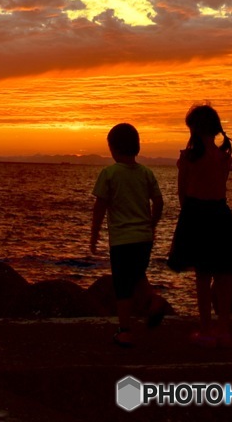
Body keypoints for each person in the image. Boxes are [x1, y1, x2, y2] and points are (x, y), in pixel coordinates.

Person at [167, 102, 232, 347]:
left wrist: (188, 217)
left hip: (196, 214)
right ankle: (224, 328)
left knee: (203, 276)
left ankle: (205, 328)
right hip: (220, 215)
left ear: (194, 129)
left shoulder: (187, 157)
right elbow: (221, 186)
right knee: (224, 275)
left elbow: (182, 193)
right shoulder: (224, 157)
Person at [90, 122, 165, 346]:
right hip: (144, 238)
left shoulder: (109, 174)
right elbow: (159, 202)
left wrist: (94, 234)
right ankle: (153, 302)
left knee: (123, 285)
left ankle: (125, 330)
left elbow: (100, 207)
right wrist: (152, 224)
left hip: (122, 240)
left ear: (114, 148)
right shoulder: (146, 173)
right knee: (137, 274)